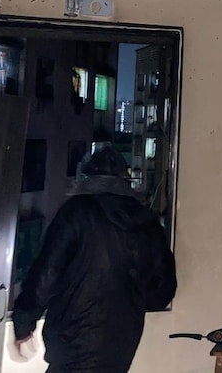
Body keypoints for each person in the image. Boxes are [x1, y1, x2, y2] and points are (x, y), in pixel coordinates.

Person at [12, 144, 177, 373]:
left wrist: (23, 323)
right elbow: (163, 290)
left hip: (72, 338)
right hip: (121, 342)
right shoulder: (145, 220)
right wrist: (133, 300)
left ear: (86, 176)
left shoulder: (77, 212)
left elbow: (47, 272)